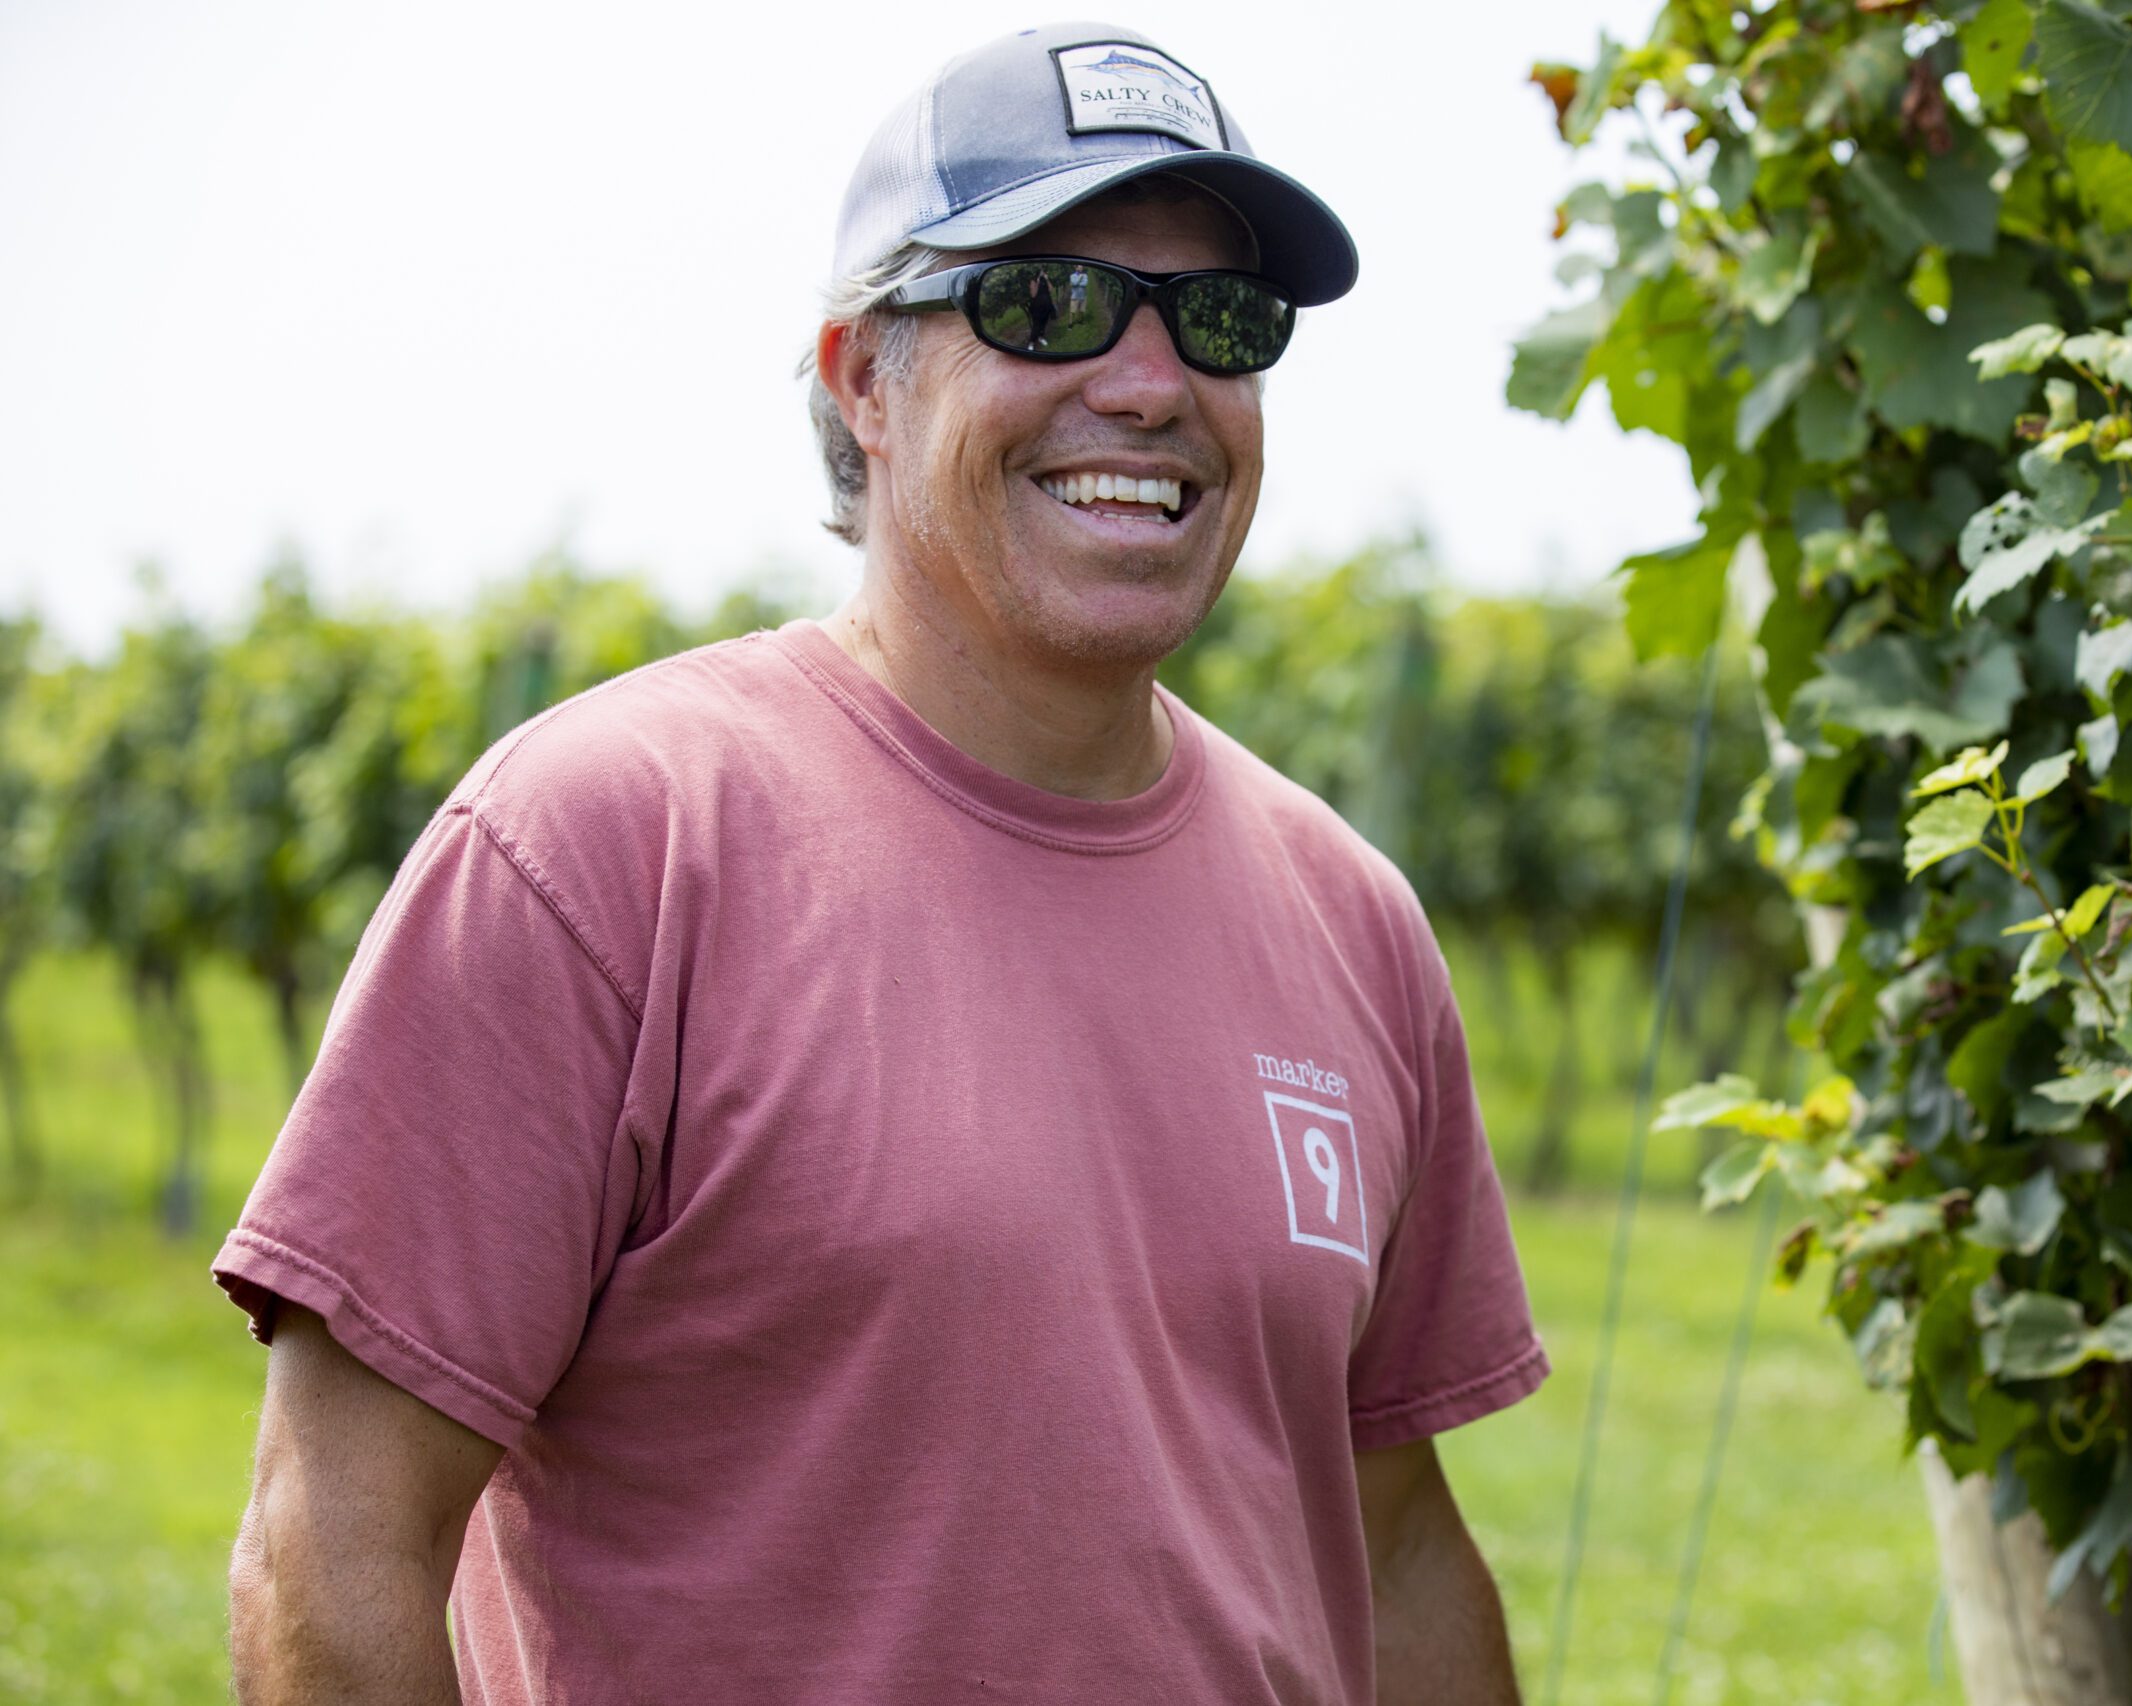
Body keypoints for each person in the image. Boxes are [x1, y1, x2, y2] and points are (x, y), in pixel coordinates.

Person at [216, 20, 1548, 1705]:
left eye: (1218, 319)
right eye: (1044, 302)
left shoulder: (1350, 916)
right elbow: (333, 1542)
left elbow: (1394, 1538)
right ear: (862, 374)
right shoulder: (600, 847)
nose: (1150, 383)